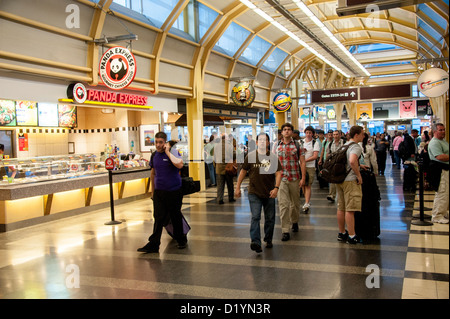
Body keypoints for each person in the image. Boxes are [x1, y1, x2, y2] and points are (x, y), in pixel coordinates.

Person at [138, 132, 186, 253]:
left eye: (161, 142)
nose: (158, 145)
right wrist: (153, 191)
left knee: (175, 215)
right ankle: (154, 243)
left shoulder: (173, 152)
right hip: (159, 192)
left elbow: (180, 165)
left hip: (174, 191)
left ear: (165, 143)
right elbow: (153, 173)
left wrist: (168, 152)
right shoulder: (154, 156)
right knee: (158, 218)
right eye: (156, 142)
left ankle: (181, 239)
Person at [235, 133, 282, 253]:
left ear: (268, 143)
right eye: (259, 140)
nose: (262, 142)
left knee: (270, 218)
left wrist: (276, 188)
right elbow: (243, 172)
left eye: (264, 140)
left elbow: (278, 173)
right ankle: (255, 242)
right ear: (256, 143)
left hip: (269, 192)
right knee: (255, 217)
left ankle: (268, 239)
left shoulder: (273, 157)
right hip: (254, 192)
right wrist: (237, 187)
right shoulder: (250, 156)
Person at [276, 123, 306, 241]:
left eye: (289, 129)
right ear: (282, 132)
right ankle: (285, 230)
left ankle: (295, 221)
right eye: (284, 130)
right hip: (281, 179)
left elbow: (302, 162)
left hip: (294, 178)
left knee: (295, 203)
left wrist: (303, 178)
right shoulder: (277, 145)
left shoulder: (298, 145)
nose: (287, 131)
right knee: (283, 205)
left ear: (292, 132)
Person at [336, 125, 365, 244]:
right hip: (350, 181)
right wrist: (358, 175)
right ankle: (352, 236)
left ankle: (342, 233)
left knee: (341, 207)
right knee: (350, 209)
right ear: (356, 135)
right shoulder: (356, 147)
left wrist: (359, 165)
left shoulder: (345, 145)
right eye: (362, 133)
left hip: (340, 180)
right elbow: (352, 161)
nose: (364, 136)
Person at [428, 123, 449, 224]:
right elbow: (439, 157)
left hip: (445, 170)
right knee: (442, 192)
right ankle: (437, 216)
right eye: (440, 130)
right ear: (435, 131)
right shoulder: (435, 143)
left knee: (446, 193)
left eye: (444, 130)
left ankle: (443, 212)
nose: (443, 132)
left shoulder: (443, 141)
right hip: (439, 171)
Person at [302, 126, 320, 213]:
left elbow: (315, 156)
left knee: (308, 184)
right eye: (307, 132)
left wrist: (305, 161)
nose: (308, 134)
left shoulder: (315, 143)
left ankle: (307, 202)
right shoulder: (300, 142)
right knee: (302, 184)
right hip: (301, 166)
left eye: (310, 133)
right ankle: (306, 200)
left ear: (312, 134)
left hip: (310, 167)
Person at [215, 134, 236, 204]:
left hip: (219, 168)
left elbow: (213, 157)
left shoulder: (216, 145)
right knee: (230, 184)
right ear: (226, 138)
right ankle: (231, 197)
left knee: (220, 185)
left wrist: (216, 165)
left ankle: (220, 199)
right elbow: (234, 155)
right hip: (228, 168)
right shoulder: (229, 145)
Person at [326, 130, 344, 203]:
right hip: (333, 165)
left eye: (337, 134)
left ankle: (341, 195)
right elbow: (327, 154)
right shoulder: (330, 144)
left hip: (342, 164)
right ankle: (331, 195)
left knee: (342, 179)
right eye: (334, 134)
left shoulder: (344, 143)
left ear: (340, 135)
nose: (335, 136)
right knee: (332, 180)